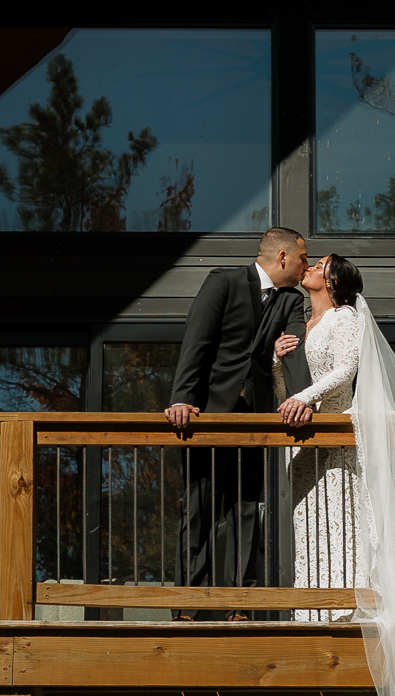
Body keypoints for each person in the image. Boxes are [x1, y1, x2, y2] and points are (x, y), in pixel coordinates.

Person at [278, 254, 395, 696]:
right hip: (305, 442)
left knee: (340, 522)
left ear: (333, 279)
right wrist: (277, 362)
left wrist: (306, 396)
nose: (308, 267)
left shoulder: (345, 318)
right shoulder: (301, 325)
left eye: (319, 263)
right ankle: (311, 611)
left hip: (337, 434)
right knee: (309, 526)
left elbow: (344, 371)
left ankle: (341, 611)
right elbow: (284, 393)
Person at [165, 226, 312, 619]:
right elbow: (197, 340)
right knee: (199, 507)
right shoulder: (225, 281)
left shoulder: (293, 301)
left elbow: (294, 349)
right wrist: (181, 398)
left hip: (257, 418)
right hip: (208, 414)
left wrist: (301, 398)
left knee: (247, 509)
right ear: (282, 256)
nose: (306, 266)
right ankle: (188, 605)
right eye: (302, 258)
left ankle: (240, 604)